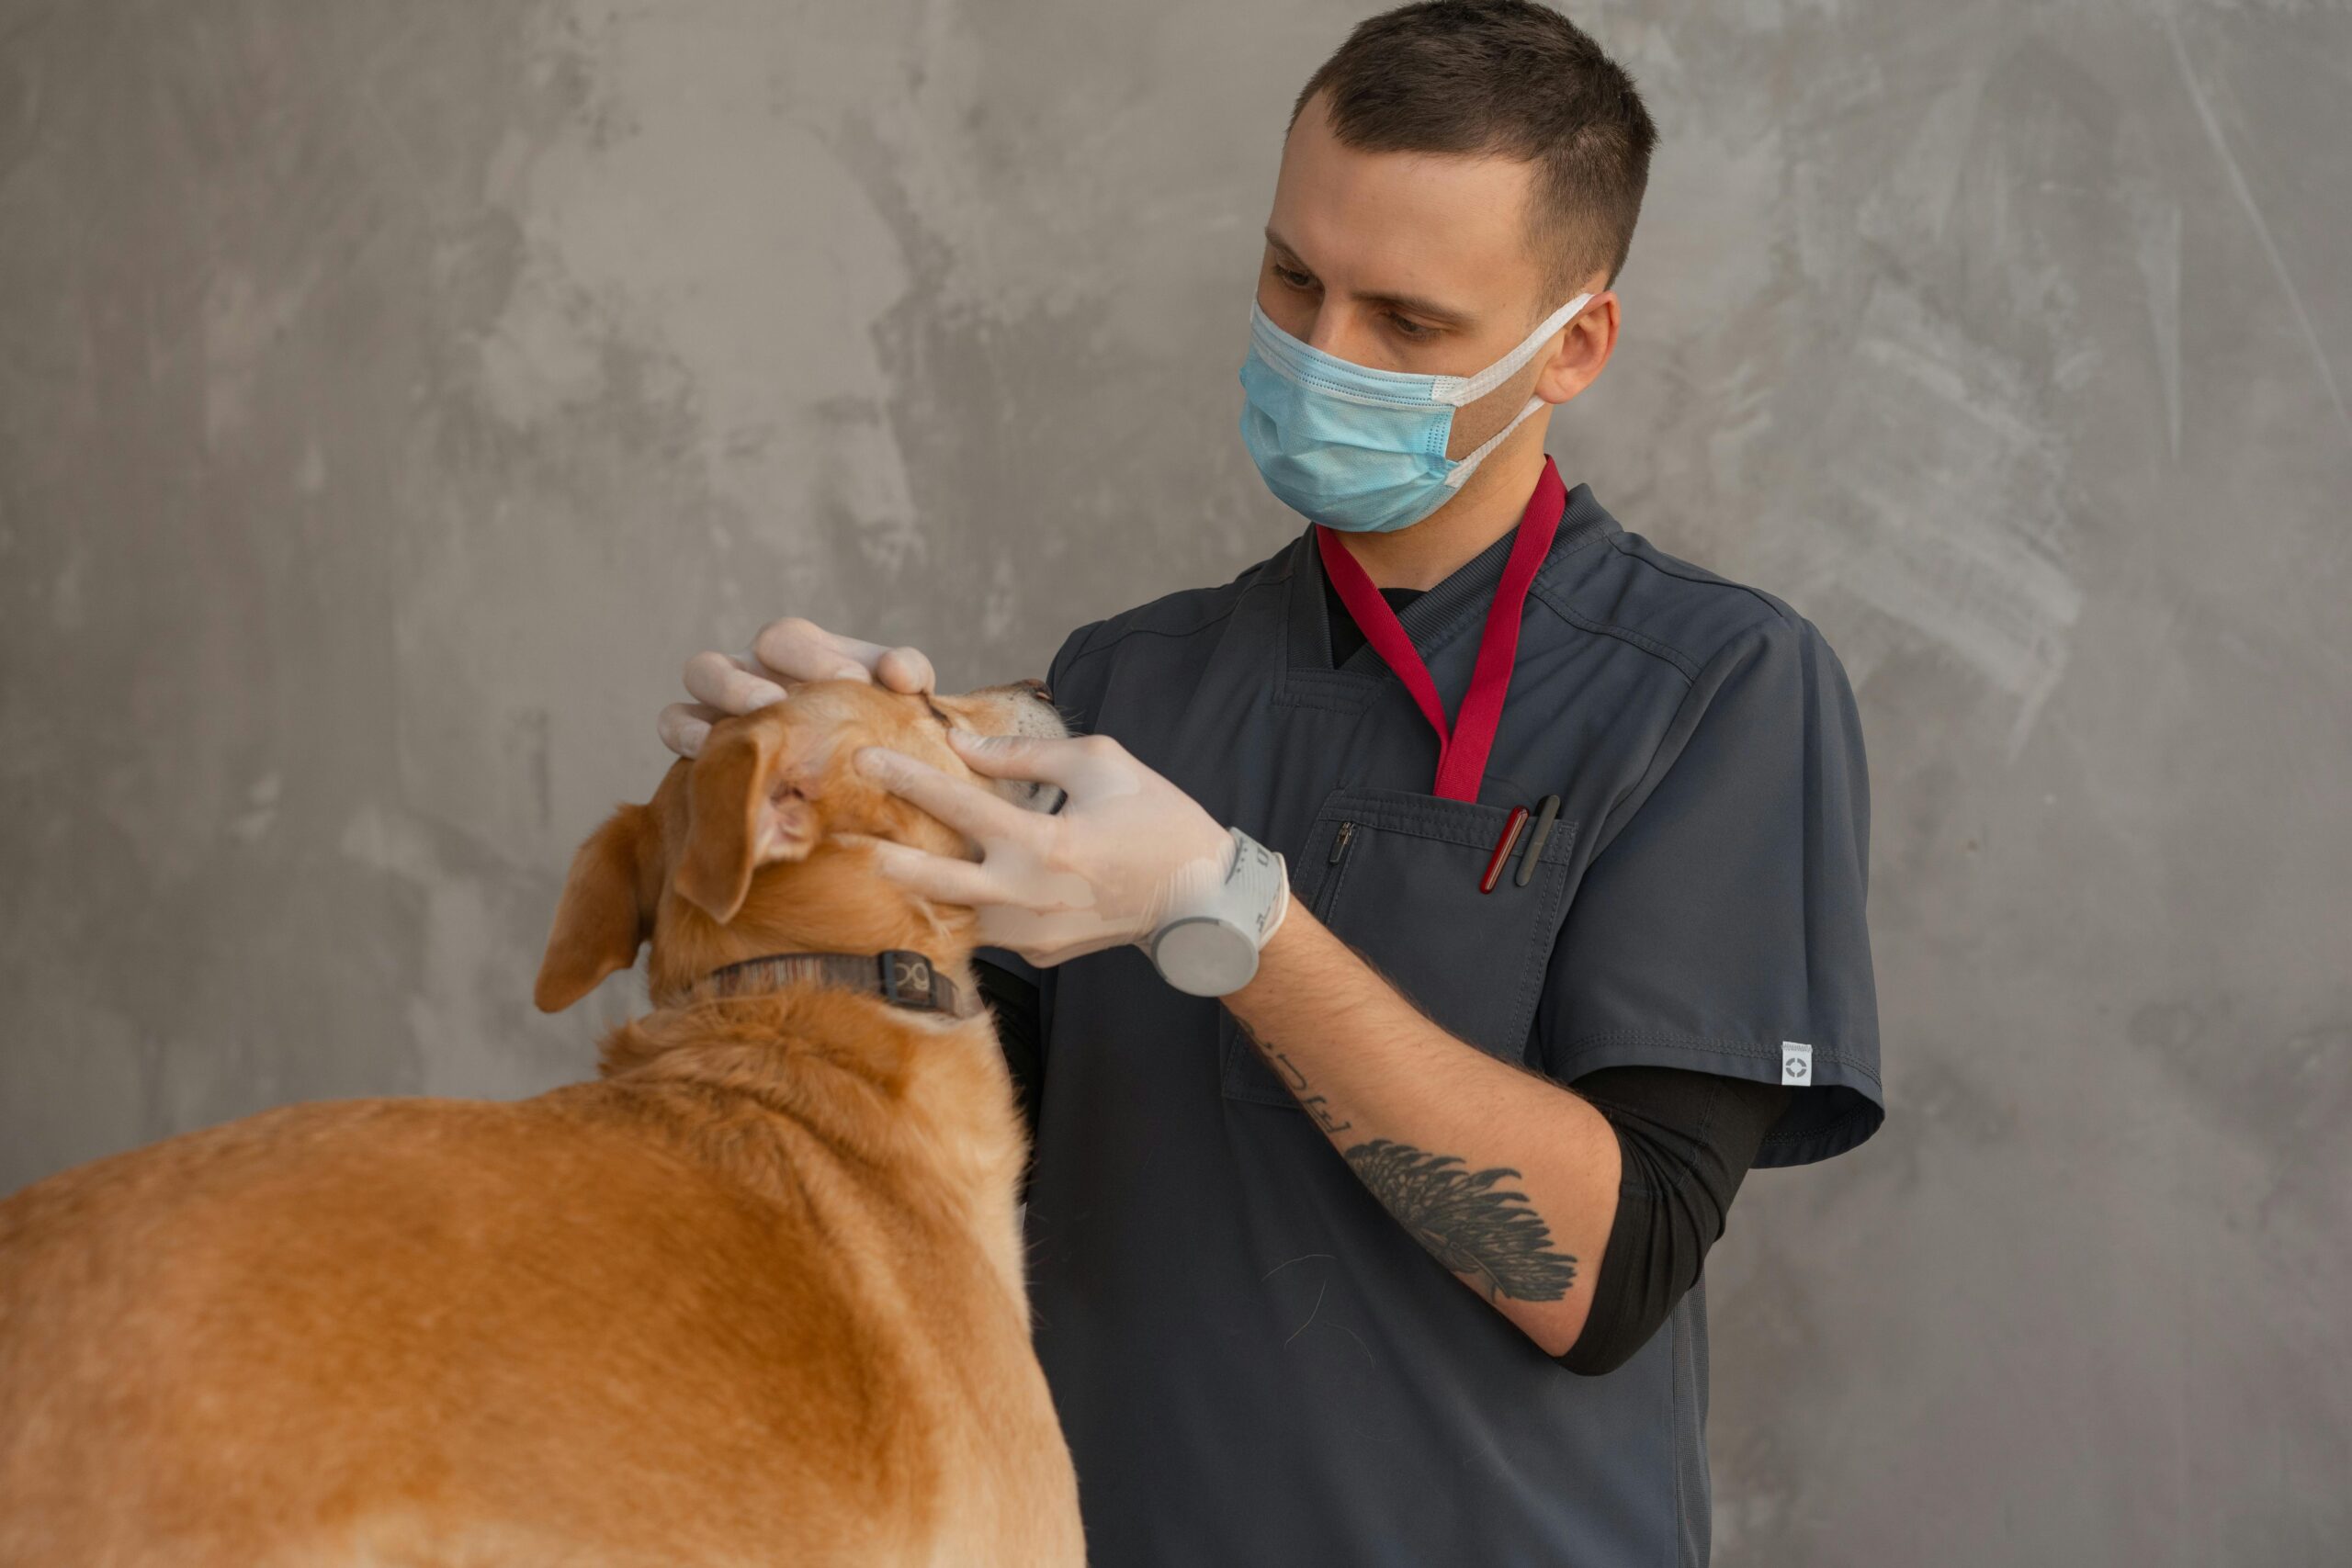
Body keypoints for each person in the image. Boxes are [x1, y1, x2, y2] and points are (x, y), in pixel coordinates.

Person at [657, 4, 1883, 1562]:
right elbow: (928, 1188)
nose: (1322, 354)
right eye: (1294, 277)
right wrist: (814, 823)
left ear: (1573, 342)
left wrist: (1220, 911)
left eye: (1409, 324)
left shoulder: (1714, 690)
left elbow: (1604, 1272)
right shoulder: (1124, 687)